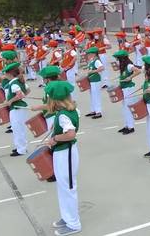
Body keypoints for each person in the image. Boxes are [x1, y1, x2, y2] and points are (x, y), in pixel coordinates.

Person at [40, 81, 82, 236]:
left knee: (69, 187)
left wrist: (55, 138)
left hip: (66, 152)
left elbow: (71, 133)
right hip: (63, 152)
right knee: (63, 186)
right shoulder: (69, 110)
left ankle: (74, 224)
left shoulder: (64, 114)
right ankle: (67, 217)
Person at [1, 62, 29, 156]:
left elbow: (19, 94)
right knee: (20, 129)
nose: (4, 75)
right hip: (20, 108)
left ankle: (21, 149)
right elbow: (27, 90)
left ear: (10, 74)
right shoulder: (19, 81)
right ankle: (20, 147)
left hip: (17, 108)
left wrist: (10, 101)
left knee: (18, 129)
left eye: (5, 73)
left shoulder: (13, 83)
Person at [114, 49, 140, 135]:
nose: (117, 60)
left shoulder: (129, 65)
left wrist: (130, 77)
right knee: (124, 107)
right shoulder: (123, 65)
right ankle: (126, 125)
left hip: (128, 89)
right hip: (124, 88)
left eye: (118, 58)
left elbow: (138, 71)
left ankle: (131, 127)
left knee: (128, 107)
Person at [83, 47, 104, 119]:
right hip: (91, 80)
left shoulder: (97, 61)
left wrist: (92, 71)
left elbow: (101, 68)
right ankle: (93, 110)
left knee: (96, 96)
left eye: (89, 54)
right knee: (92, 96)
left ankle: (98, 112)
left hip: (96, 80)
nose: (88, 55)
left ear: (94, 54)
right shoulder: (92, 60)